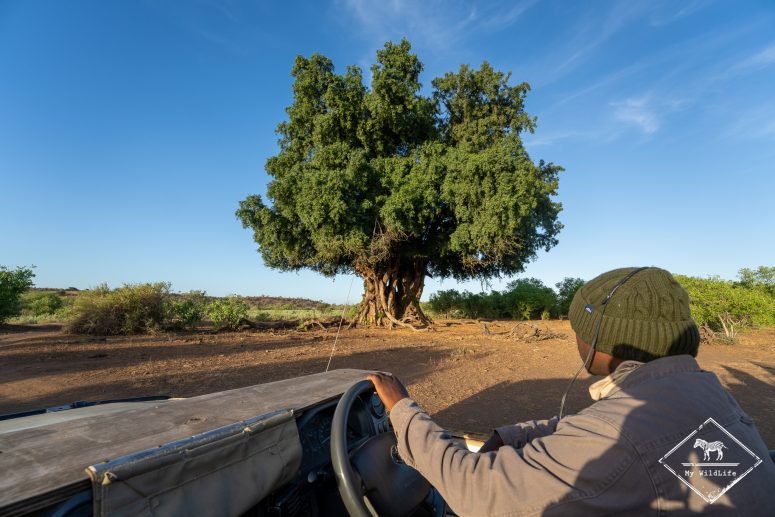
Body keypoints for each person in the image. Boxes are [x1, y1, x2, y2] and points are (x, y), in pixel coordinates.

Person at [369, 267, 775, 516]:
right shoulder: (704, 393)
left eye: (579, 328)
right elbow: (600, 432)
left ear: (601, 339)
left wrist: (402, 408)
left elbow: (474, 491)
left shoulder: (621, 436)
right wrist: (515, 435)